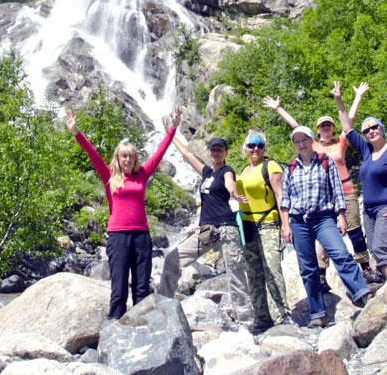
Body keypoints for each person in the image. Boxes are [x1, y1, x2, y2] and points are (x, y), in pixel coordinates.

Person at [65, 105, 181, 320]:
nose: (127, 160)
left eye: (131, 157)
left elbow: (160, 153)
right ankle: (114, 328)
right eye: (123, 157)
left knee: (141, 288)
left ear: (135, 159)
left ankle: (141, 328)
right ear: (118, 158)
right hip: (118, 237)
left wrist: (173, 128)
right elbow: (92, 153)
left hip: (141, 236)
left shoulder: (142, 175)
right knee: (118, 288)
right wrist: (75, 132)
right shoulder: (108, 175)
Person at [264, 84, 379, 290]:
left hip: (345, 190)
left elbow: (348, 121)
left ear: (333, 129)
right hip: (322, 195)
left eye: (328, 126)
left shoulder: (340, 143)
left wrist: (355, 97)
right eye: (322, 127)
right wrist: (278, 109)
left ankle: (365, 267)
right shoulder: (313, 147)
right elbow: (296, 127)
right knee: (325, 234)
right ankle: (322, 274)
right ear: (316, 131)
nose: (325, 129)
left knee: (354, 230)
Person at [157, 132, 253, 327]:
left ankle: (246, 322)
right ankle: (163, 307)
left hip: (226, 229)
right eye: (213, 149)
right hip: (206, 230)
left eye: (219, 149)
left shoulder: (227, 170)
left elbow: (230, 183)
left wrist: (233, 192)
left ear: (225, 152)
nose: (216, 152)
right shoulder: (206, 172)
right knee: (172, 259)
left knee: (235, 274)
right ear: (208, 152)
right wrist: (171, 134)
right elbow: (186, 153)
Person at [281, 125, 371, 328]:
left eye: (305, 140)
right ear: (294, 144)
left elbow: (337, 190)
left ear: (312, 141)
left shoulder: (325, 162)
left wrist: (341, 216)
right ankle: (317, 314)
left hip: (323, 218)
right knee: (307, 267)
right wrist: (285, 225)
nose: (301, 144)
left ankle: (362, 294)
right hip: (298, 221)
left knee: (341, 253)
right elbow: (285, 200)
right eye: (297, 141)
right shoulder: (290, 167)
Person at [331, 81, 387, 280]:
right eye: (367, 130)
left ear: (381, 129)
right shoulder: (366, 150)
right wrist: (339, 100)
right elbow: (347, 128)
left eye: (374, 127)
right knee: (374, 249)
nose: (371, 131)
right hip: (369, 211)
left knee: (381, 248)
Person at [235, 130, 290, 333]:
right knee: (253, 273)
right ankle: (262, 318)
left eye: (259, 145)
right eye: (251, 145)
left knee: (272, 269)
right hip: (247, 226)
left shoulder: (271, 166)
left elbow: (280, 195)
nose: (255, 148)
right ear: (246, 149)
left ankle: (282, 316)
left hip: (268, 222)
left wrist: (286, 224)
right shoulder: (243, 171)